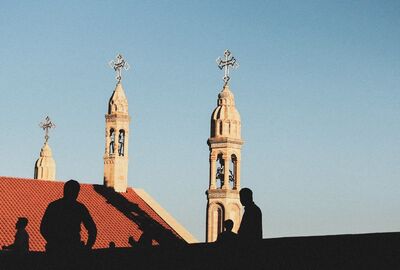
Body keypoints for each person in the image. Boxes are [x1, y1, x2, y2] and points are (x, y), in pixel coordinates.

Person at [40, 180, 97, 253]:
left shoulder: (54, 206)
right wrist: (88, 247)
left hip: (56, 249)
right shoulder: (80, 208)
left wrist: (53, 241)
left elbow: (43, 228)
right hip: (73, 247)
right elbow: (92, 229)